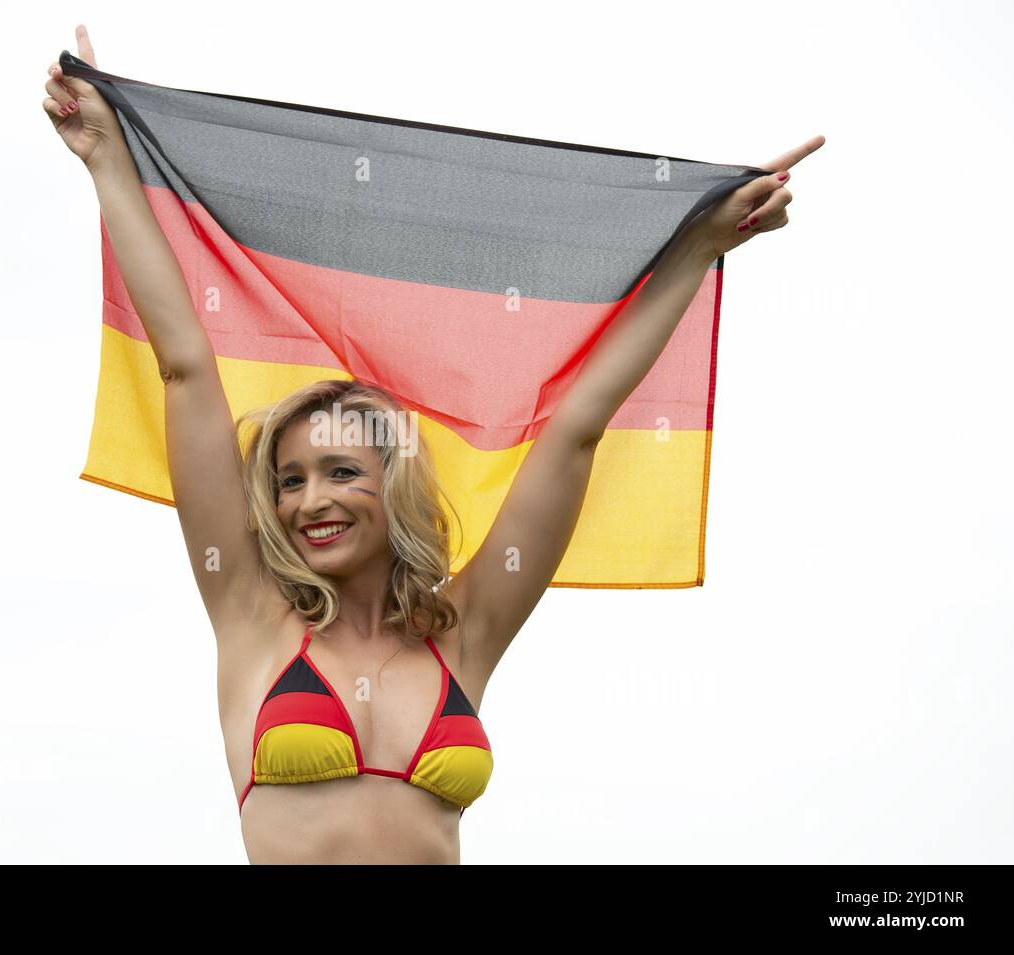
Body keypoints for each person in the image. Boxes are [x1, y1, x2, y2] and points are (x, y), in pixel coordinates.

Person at [43, 24, 824, 864]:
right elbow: (188, 369)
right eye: (289, 479)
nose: (310, 499)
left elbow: (574, 432)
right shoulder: (250, 616)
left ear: (395, 483)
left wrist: (701, 246)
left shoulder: (464, 632)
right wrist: (108, 164)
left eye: (342, 469)